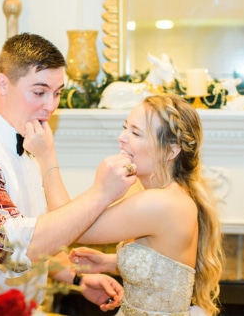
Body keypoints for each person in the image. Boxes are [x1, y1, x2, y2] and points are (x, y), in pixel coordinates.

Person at [0, 33, 137, 315]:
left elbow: (39, 235)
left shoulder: (30, 144)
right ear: (3, 83)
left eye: (57, 93)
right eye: (39, 92)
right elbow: (11, 249)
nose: (51, 106)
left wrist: (76, 277)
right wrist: (101, 194)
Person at [62, 94, 224, 315]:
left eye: (135, 133)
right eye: (125, 128)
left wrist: (46, 157)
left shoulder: (160, 203)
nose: (121, 137)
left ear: (171, 151)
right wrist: (112, 262)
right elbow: (164, 264)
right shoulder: (168, 195)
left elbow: (68, 227)